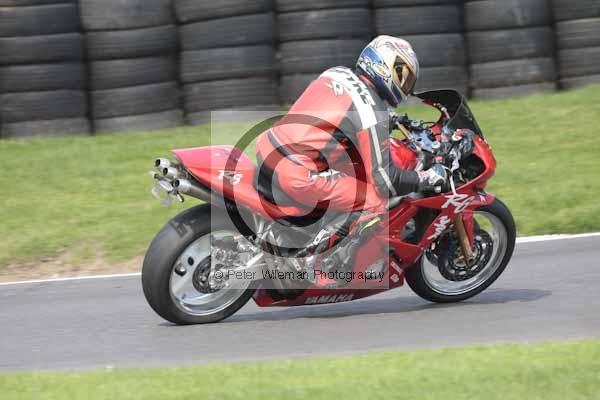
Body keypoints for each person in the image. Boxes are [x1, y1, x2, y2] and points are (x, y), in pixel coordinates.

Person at [255, 35, 447, 243]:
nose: (405, 86)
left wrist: (386, 120)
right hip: (296, 174)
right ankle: (320, 258)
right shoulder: (371, 111)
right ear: (384, 67)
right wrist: (426, 178)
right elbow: (386, 181)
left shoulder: (336, 73)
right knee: (374, 202)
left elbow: (333, 112)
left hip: (268, 146)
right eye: (403, 77)